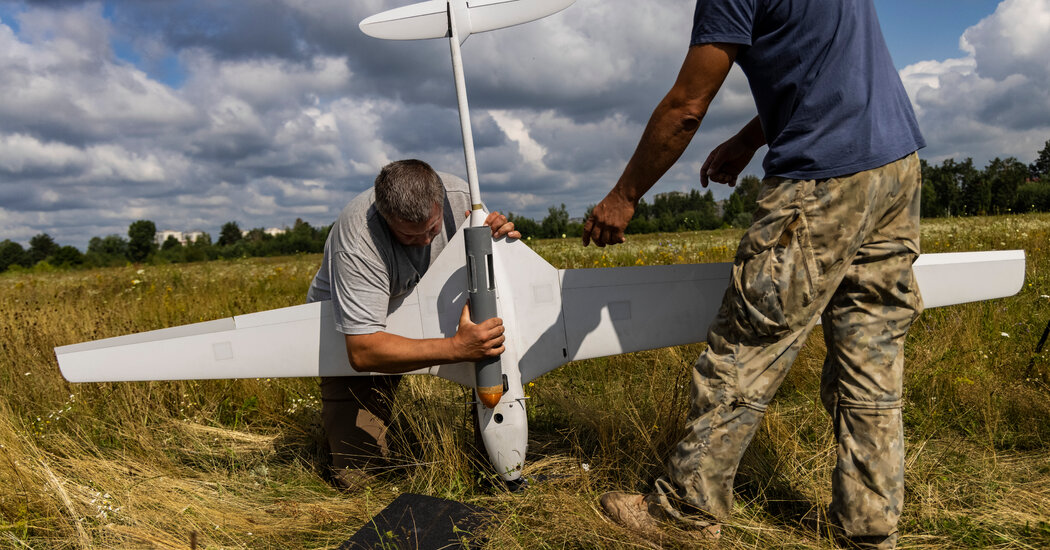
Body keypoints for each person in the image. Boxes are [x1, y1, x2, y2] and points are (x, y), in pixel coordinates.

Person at [586, 1, 924, 548]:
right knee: (872, 359)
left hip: (821, 177)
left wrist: (624, 196)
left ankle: (685, 511)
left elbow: (687, 106)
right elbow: (821, 74)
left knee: (748, 343)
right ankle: (870, 529)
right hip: (896, 167)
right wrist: (749, 139)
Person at [306, 159, 519, 489]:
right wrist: (455, 348)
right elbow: (362, 352)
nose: (424, 241)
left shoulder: (462, 199)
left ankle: (491, 462)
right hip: (355, 328)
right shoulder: (359, 237)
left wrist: (499, 243)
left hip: (425, 303)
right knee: (359, 478)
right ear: (386, 216)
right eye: (409, 234)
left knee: (493, 365)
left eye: (432, 229)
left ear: (439, 200)